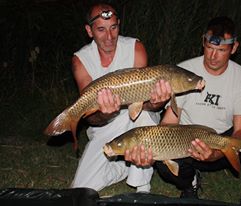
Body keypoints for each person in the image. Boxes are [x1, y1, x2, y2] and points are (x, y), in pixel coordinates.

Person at [126, 16, 241, 205]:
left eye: (221, 50)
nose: (213, 56)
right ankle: (189, 183)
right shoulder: (184, 71)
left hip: (221, 142)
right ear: (203, 42)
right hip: (186, 144)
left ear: (233, 48)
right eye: (210, 48)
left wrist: (217, 152)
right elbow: (170, 121)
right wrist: (154, 145)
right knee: (162, 160)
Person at [70, 1, 171, 193]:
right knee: (82, 188)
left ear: (119, 25)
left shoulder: (135, 47)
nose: (109, 37)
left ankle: (142, 184)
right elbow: (91, 118)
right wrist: (107, 113)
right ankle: (124, 168)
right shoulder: (81, 60)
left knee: (140, 116)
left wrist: (157, 102)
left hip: (138, 118)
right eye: (101, 29)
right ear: (89, 31)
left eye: (113, 28)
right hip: (104, 125)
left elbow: (144, 103)